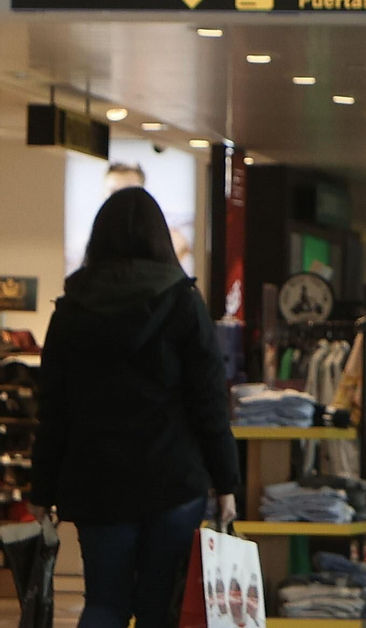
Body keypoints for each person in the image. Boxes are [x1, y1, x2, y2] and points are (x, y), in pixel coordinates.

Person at [29, 187, 240, 628]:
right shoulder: (184, 302)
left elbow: (53, 410)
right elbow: (208, 404)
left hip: (97, 483)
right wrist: (226, 483)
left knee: (104, 602)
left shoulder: (70, 311)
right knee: (159, 607)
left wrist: (42, 490)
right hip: (173, 482)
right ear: (162, 239)